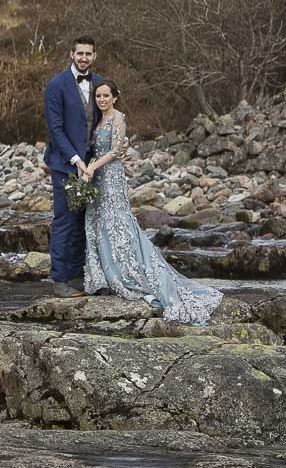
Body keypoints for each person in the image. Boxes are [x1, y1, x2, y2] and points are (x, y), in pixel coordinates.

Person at [80, 80, 222, 325]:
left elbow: (114, 151)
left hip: (110, 178)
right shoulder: (100, 120)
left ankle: (126, 273)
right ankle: (105, 275)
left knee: (117, 224)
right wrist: (88, 167)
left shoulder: (118, 118)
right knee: (100, 223)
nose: (101, 99)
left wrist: (92, 166)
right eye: (98, 96)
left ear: (115, 97)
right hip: (97, 179)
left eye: (106, 96)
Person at [42, 35, 102, 298]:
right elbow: (56, 130)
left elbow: (107, 121)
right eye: (80, 54)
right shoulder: (56, 85)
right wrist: (76, 161)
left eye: (88, 54)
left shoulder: (100, 84)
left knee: (84, 223)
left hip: (93, 167)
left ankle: (77, 276)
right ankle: (60, 280)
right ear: (71, 54)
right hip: (65, 166)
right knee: (65, 221)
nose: (84, 58)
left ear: (94, 56)